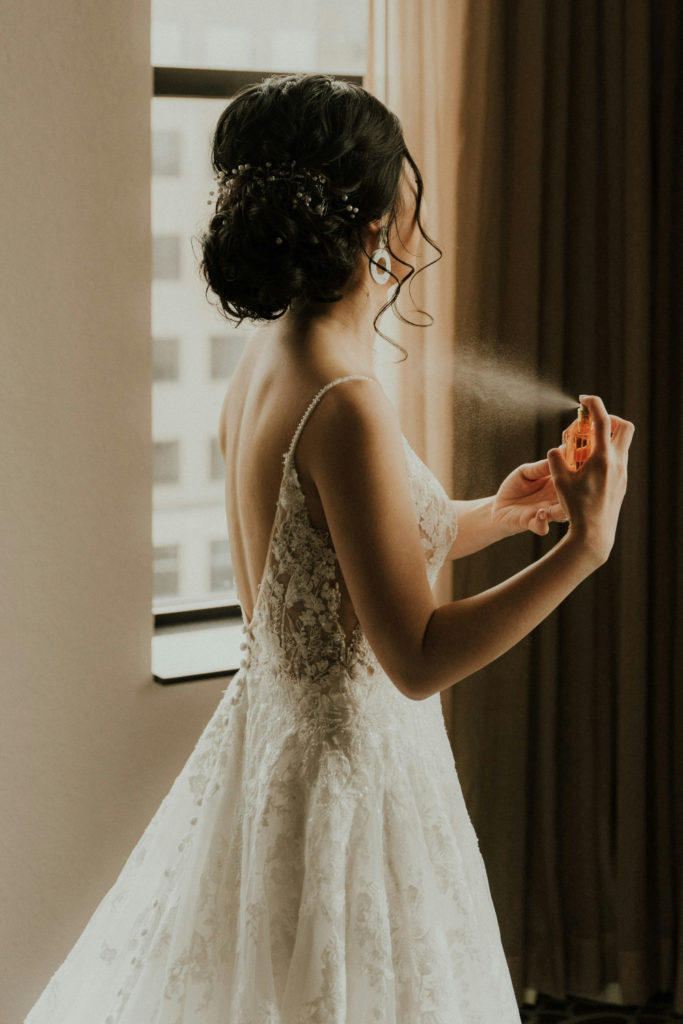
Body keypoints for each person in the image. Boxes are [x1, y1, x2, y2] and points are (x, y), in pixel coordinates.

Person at [24, 72, 634, 1023]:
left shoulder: (269, 360)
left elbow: (326, 569)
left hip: (278, 753)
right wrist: (582, 549)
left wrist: (498, 515)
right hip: (351, 784)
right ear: (375, 213)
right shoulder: (343, 400)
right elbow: (415, 658)